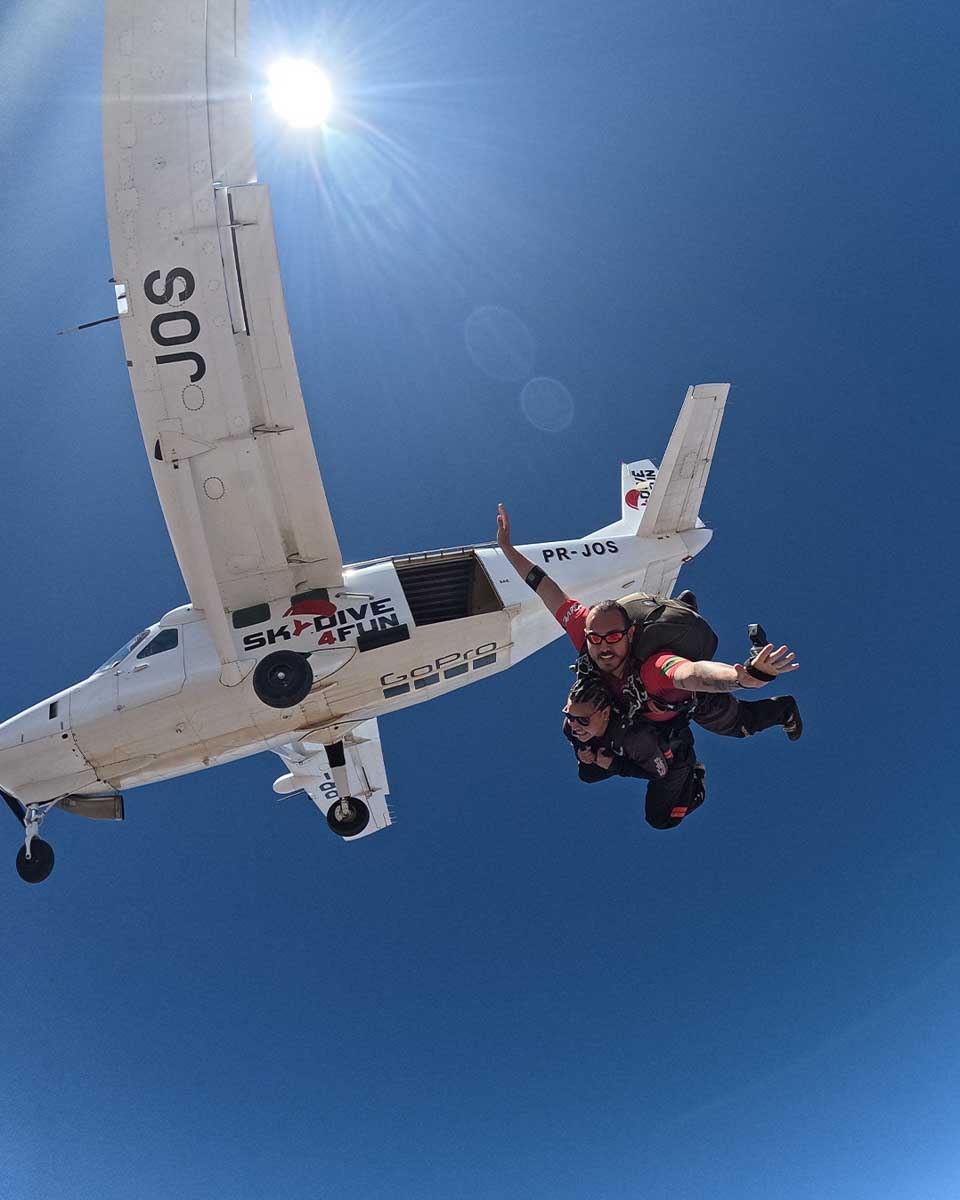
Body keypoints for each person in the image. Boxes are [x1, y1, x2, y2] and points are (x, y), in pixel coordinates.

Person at [496, 502, 803, 741]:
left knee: (740, 725)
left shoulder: (653, 668)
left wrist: (742, 678)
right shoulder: (585, 629)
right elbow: (546, 588)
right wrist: (508, 550)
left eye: (613, 638)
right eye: (596, 638)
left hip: (686, 700)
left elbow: (691, 673)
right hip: (644, 708)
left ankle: (785, 710)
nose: (603, 647)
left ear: (630, 634)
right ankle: (682, 607)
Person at [563, 676, 705, 829]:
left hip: (675, 755)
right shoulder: (572, 727)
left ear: (605, 714)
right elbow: (571, 732)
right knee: (587, 773)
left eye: (583, 720)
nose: (575, 726)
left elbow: (659, 772)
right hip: (632, 748)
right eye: (569, 716)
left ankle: (695, 779)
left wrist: (615, 765)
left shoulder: (636, 740)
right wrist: (581, 750)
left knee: (659, 819)